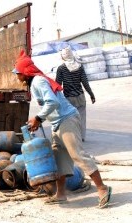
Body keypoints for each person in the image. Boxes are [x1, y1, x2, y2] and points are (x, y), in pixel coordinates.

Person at [12, 50, 112, 208]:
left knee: (77, 154)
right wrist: (37, 121)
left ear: (25, 73)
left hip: (67, 120)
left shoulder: (38, 81)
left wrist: (38, 118)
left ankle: (102, 188)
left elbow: (52, 102)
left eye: (18, 73)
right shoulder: (35, 83)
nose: (17, 77)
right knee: (59, 158)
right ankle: (61, 194)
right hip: (57, 123)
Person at [56, 46, 95, 142]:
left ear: (63, 57)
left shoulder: (61, 68)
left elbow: (57, 84)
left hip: (69, 98)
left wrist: (57, 98)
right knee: (82, 117)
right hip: (80, 96)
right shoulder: (79, 66)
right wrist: (91, 95)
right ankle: (82, 137)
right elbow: (85, 83)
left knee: (71, 119)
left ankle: (75, 137)